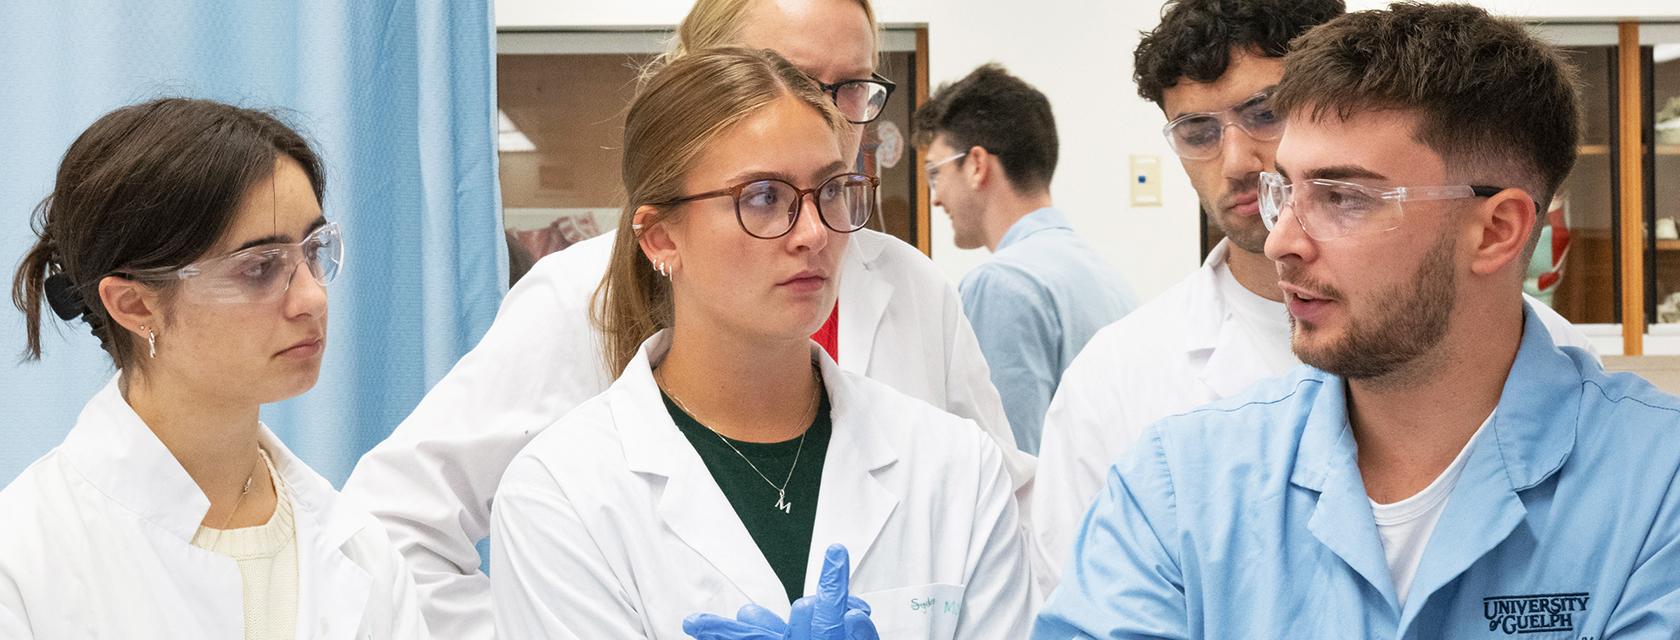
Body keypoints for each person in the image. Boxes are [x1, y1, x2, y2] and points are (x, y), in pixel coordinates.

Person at [342, 2, 1031, 634]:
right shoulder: (577, 308)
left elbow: (995, 517)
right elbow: (396, 520)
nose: (822, 111)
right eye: (785, 75)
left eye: (850, 86)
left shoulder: (913, 291)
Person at [1035, 4, 1680, 637]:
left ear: (1495, 231)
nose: (1282, 239)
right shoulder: (1176, 485)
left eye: (1344, 197)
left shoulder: (1654, 482)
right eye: (1283, 192)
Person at [0, 98, 427, 638]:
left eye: (314, 252)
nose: (312, 298)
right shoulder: (22, 561)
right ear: (134, 305)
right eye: (260, 267)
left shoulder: (362, 553)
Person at [913, 64, 1138, 455]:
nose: (934, 197)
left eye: (936, 173)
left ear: (977, 165)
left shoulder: (1000, 284)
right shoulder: (1107, 278)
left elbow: (1009, 467)